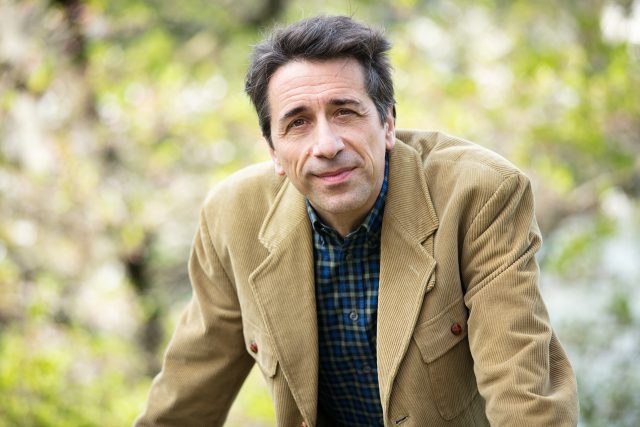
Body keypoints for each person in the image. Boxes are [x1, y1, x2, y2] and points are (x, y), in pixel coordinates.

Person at [136, 15, 578, 427]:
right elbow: (186, 396)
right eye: (298, 123)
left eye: (345, 112)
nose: (327, 145)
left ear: (387, 124)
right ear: (273, 151)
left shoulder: (481, 195)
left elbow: (524, 399)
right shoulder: (232, 218)